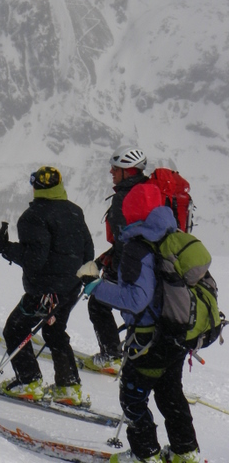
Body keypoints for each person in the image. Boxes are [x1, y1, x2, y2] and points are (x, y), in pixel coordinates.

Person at [83, 180, 201, 463]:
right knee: (170, 393)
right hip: (177, 333)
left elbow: (136, 299)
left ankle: (145, 455)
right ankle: (185, 453)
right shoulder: (173, 236)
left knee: (133, 397)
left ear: (131, 211)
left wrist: (94, 286)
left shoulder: (138, 247)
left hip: (151, 338)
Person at [0, 166, 94, 405]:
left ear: (35, 187)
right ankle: (68, 386)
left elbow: (35, 259)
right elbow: (88, 251)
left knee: (15, 329)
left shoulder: (33, 216)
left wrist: (4, 247)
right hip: (71, 287)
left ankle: (29, 381)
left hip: (44, 289)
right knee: (55, 331)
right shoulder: (75, 211)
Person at [79, 146, 150, 375]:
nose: (111, 171)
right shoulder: (149, 192)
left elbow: (124, 240)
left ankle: (112, 355)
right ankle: (137, 357)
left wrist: (110, 268)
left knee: (99, 303)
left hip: (129, 267)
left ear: (128, 171)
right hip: (148, 267)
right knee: (139, 314)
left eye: (115, 168)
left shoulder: (124, 198)